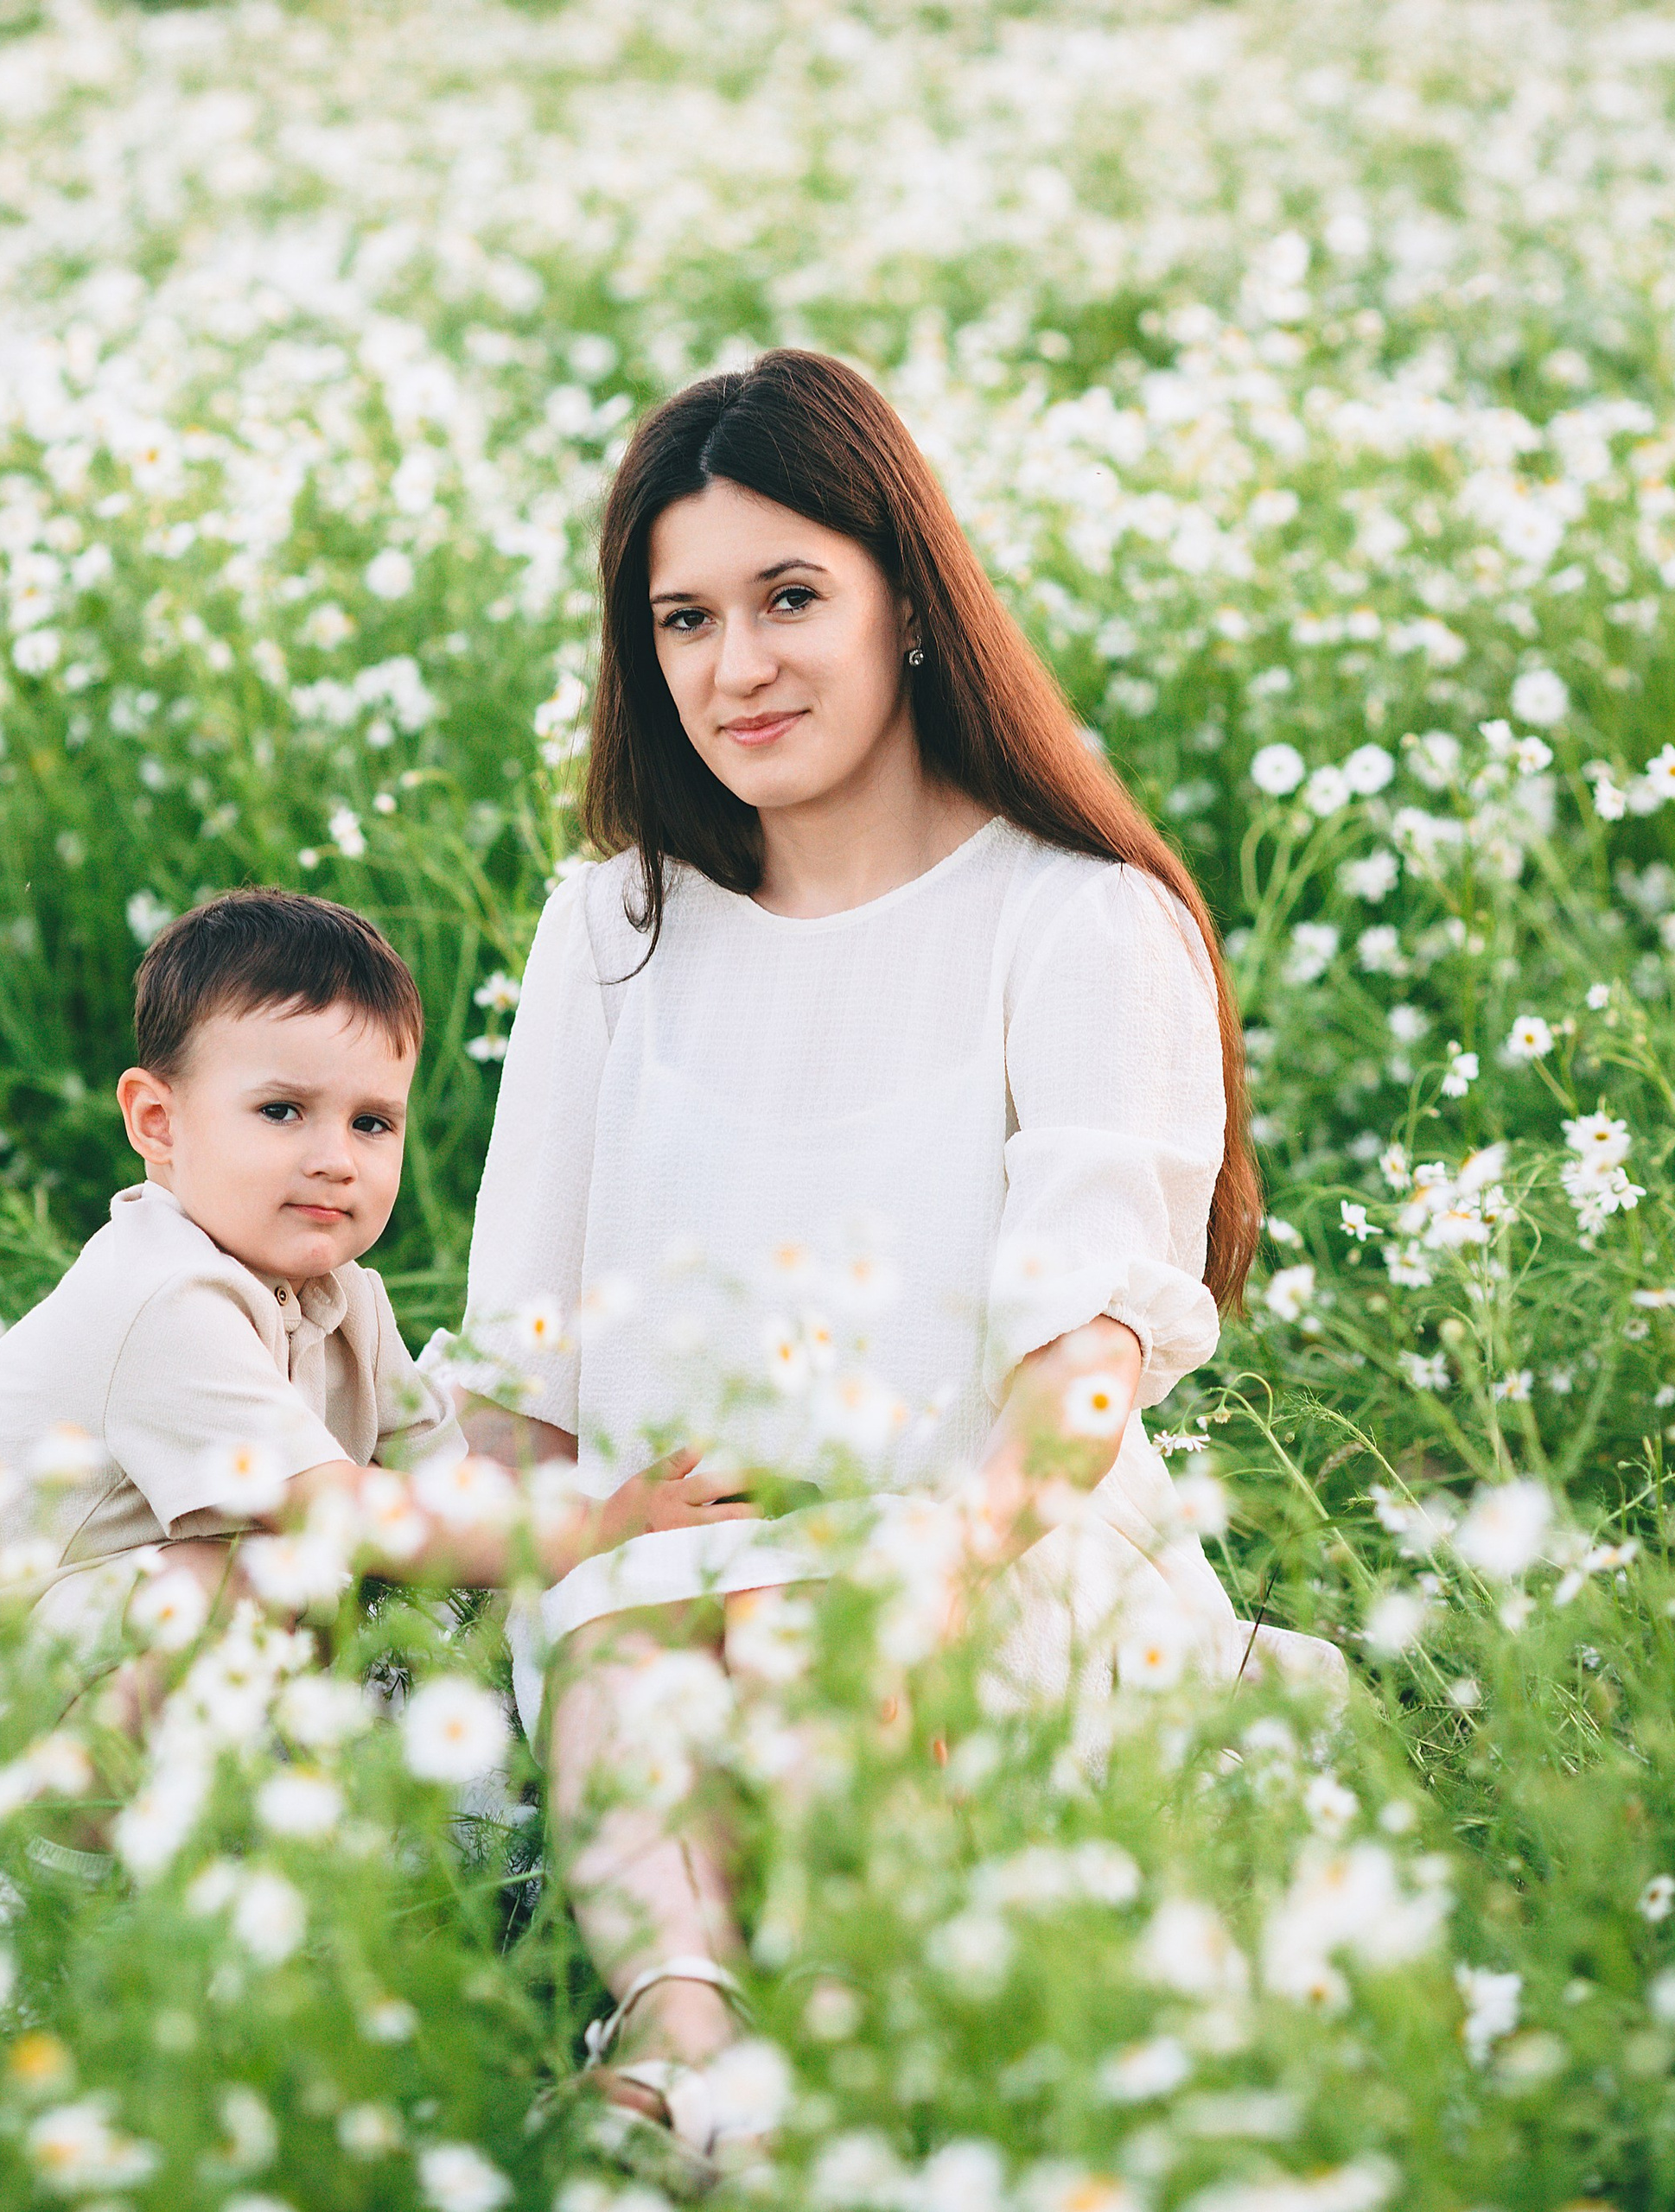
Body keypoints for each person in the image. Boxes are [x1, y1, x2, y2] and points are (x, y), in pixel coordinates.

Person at [429, 349, 1340, 2167]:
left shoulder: (1076, 918)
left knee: (793, 1613)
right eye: (681, 618)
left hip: (991, 1548)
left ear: (907, 604)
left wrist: (939, 1549)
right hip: (659, 1584)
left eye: (788, 597)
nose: (734, 666)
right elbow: (523, 1366)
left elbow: (1083, 1343)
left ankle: (863, 2042)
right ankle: (676, 2025)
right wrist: (455, 1591)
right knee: (652, 1594)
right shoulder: (610, 927)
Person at [0, 887, 750, 1725]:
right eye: (283, 1111)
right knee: (261, 1569)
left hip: (90, 1643)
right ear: (157, 1123)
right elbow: (338, 1510)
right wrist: (589, 1527)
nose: (336, 1158)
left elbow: (443, 1485)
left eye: (371, 1122)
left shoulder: (347, 1297)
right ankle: (75, 1848)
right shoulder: (164, 1294)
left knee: (344, 1582)